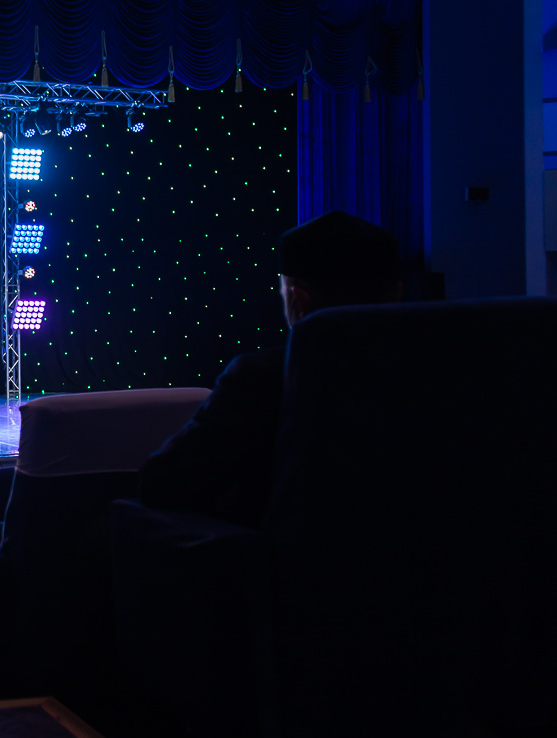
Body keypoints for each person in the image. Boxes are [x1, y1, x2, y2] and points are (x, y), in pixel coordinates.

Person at [137, 211, 402, 528]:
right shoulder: (441, 373)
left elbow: (165, 484)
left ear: (298, 300)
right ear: (397, 293)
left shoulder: (262, 378)